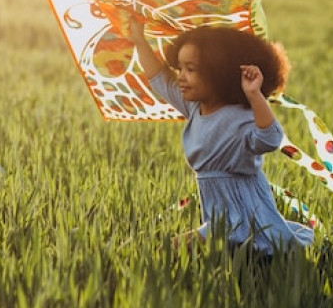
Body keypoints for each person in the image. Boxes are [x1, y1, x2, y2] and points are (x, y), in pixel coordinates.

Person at [126, 14, 314, 255]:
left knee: (166, 250)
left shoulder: (239, 116)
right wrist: (140, 41)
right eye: (180, 68)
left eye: (190, 69)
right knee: (200, 251)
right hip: (219, 211)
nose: (181, 76)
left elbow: (270, 139)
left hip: (244, 211)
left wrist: (254, 95)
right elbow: (160, 79)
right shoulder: (195, 107)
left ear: (219, 72)